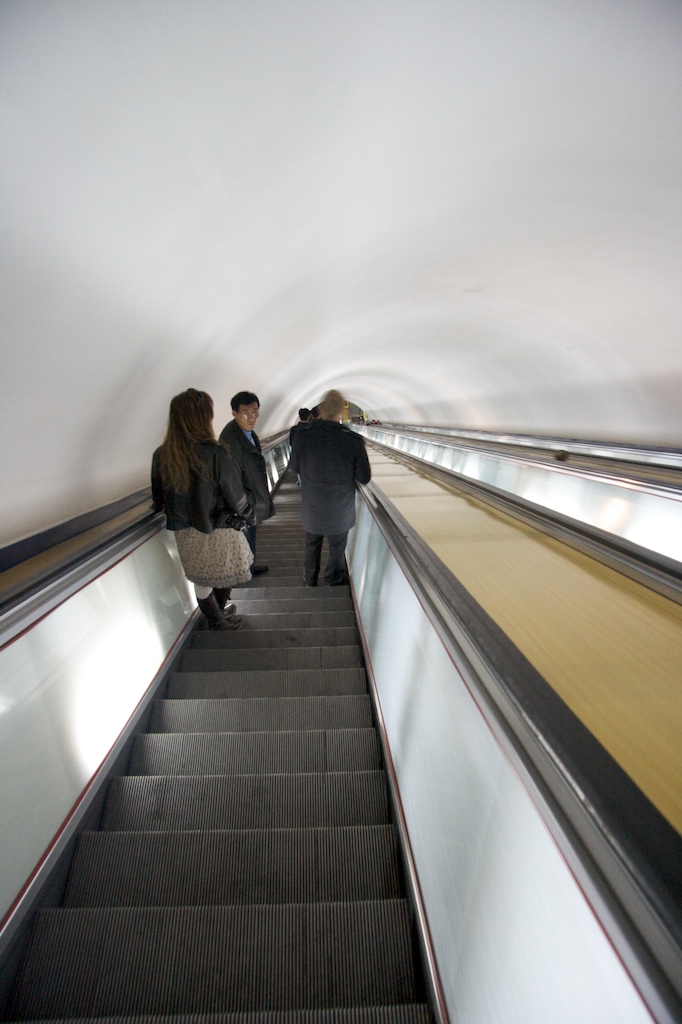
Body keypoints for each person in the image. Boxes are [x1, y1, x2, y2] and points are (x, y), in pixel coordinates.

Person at [152, 389, 254, 630]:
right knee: (224, 573)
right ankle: (217, 619)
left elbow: (158, 498)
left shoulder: (162, 455)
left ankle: (215, 617)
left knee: (201, 577)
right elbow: (235, 496)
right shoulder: (216, 453)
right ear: (203, 419)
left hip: (185, 532)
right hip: (217, 528)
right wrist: (249, 515)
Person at [289, 388, 371, 586]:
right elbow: (364, 477)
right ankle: (332, 577)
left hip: (313, 504)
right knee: (337, 546)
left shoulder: (304, 436)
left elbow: (294, 467)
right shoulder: (353, 440)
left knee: (312, 542)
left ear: (322, 409)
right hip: (340, 507)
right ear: (342, 412)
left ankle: (310, 578)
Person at [219, 390, 275, 574]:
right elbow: (231, 482)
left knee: (249, 539)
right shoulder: (231, 442)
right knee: (243, 540)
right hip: (244, 506)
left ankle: (249, 566)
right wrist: (246, 510)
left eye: (255, 412)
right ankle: (245, 571)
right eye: (246, 413)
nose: (252, 418)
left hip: (251, 501)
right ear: (234, 413)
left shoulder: (247, 434)